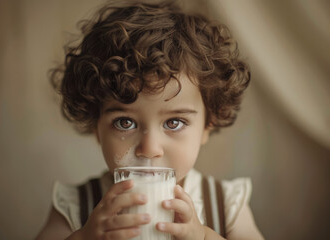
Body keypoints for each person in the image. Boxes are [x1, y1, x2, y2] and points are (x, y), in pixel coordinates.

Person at [36, 0, 264, 239]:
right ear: (96, 127)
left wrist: (205, 236)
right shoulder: (77, 205)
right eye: (125, 123)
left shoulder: (224, 204)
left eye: (173, 123)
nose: (149, 149)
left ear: (207, 126)